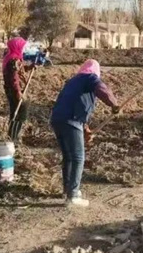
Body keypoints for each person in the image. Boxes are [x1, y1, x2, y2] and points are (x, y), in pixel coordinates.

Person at [50, 59, 120, 207]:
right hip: (71, 121)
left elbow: (78, 104)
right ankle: (73, 196)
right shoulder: (90, 78)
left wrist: (86, 130)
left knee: (68, 157)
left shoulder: (74, 81)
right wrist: (114, 104)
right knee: (78, 158)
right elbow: (102, 89)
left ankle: (67, 190)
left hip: (58, 120)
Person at [2, 36, 31, 143]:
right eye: (22, 46)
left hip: (11, 89)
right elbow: (14, 78)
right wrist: (18, 92)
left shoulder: (12, 57)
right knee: (19, 113)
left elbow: (20, 69)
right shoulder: (13, 60)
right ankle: (13, 138)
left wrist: (30, 67)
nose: (23, 49)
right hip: (13, 90)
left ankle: (12, 136)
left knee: (15, 112)